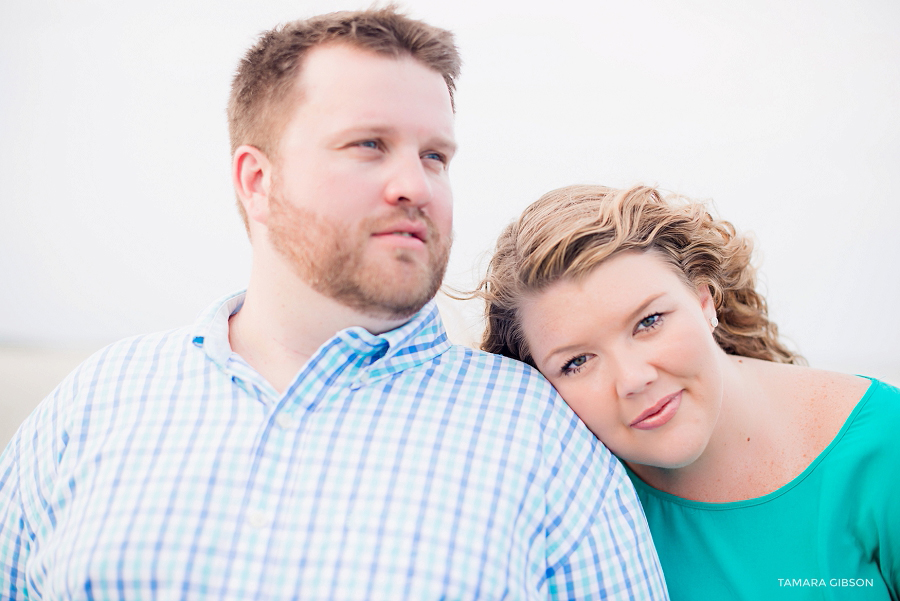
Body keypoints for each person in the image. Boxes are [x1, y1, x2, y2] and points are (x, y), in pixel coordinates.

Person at [0, 10, 669, 600]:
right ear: (257, 182)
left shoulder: (542, 437)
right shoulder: (95, 401)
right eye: (369, 145)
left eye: (435, 155)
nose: (415, 184)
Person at [479, 183, 900, 600]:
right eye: (577, 362)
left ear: (705, 300)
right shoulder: (565, 510)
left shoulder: (883, 442)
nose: (632, 379)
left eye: (649, 321)